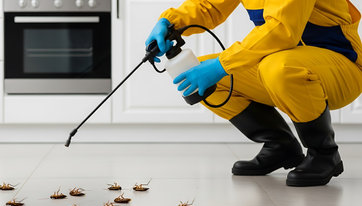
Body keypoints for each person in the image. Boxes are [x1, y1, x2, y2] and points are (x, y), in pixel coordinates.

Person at [146, 0, 362, 186]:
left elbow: (282, 29)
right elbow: (209, 6)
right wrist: (170, 23)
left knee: (275, 67)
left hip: (340, 65)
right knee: (200, 75)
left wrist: (221, 64)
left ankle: (324, 153)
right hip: (281, 63)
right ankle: (281, 145)